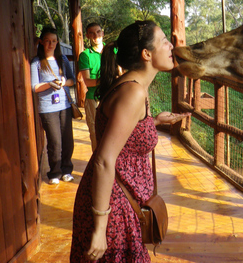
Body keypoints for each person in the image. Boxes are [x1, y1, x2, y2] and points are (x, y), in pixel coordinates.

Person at [70, 21, 190, 262]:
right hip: (114, 206)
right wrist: (100, 227)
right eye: (164, 41)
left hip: (120, 202)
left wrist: (153, 122)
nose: (171, 46)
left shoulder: (134, 88)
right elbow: (104, 160)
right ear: (146, 54)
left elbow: (123, 134)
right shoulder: (133, 92)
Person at [31, 27, 76, 185]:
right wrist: (49, 84)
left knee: (67, 140)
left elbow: (73, 80)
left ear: (57, 42)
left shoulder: (62, 59)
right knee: (55, 141)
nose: (51, 44)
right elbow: (34, 87)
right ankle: (54, 172)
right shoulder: (37, 62)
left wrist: (64, 82)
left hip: (64, 105)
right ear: (42, 42)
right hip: (47, 108)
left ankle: (66, 170)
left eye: (54, 41)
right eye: (48, 41)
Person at [79, 23, 105, 152]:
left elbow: (120, 73)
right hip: (93, 99)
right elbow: (88, 82)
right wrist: (107, 79)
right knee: (95, 134)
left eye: (98, 32)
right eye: (92, 33)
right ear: (88, 36)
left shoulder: (112, 51)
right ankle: (96, 168)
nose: (96, 36)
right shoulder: (85, 55)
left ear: (102, 33)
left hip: (111, 97)